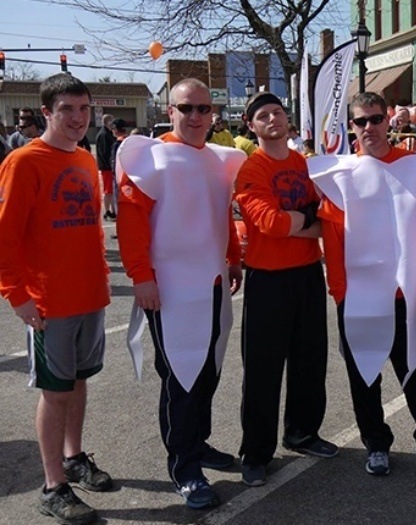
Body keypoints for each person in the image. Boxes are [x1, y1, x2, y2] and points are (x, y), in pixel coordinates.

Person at [116, 78, 246, 509]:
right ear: (168, 111)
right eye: (186, 108)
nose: (195, 117)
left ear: (213, 115)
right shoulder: (148, 158)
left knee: (206, 371)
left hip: (210, 282)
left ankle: (198, 442)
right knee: (181, 379)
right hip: (169, 287)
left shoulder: (219, 159)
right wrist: (141, 277)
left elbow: (220, 212)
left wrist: (233, 258)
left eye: (203, 109)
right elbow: (131, 225)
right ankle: (185, 467)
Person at [310, 92, 416, 478]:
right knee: (364, 375)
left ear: (388, 120)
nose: (369, 127)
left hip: (407, 294)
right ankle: (376, 443)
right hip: (358, 297)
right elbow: (333, 239)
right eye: (361, 121)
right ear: (351, 127)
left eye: (375, 119)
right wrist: (340, 293)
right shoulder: (339, 175)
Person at [0, 73, 112, 525]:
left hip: (90, 294)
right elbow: (4, 235)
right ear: (46, 112)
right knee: (55, 391)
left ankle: (73, 457)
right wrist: (16, 295)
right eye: (67, 109)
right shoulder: (25, 162)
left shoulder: (85, 160)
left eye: (84, 109)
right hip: (49, 301)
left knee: (79, 382)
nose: (77, 118)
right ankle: (52, 485)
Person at [234, 92, 336, 487]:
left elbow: (325, 218)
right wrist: (307, 220)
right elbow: (270, 224)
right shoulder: (252, 168)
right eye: (263, 116)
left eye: (277, 112)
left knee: (310, 360)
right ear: (251, 125)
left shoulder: (303, 164)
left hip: (307, 273)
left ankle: (302, 432)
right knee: (262, 369)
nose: (272, 119)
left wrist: (303, 220)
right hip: (268, 279)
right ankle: (255, 452)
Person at [96, 114, 117, 220]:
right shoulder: (104, 135)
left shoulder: (108, 133)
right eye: (111, 121)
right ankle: (107, 211)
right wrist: (111, 166)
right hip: (107, 168)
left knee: (111, 190)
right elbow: (105, 152)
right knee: (108, 191)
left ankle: (113, 211)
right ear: (107, 122)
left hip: (108, 167)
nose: (113, 124)